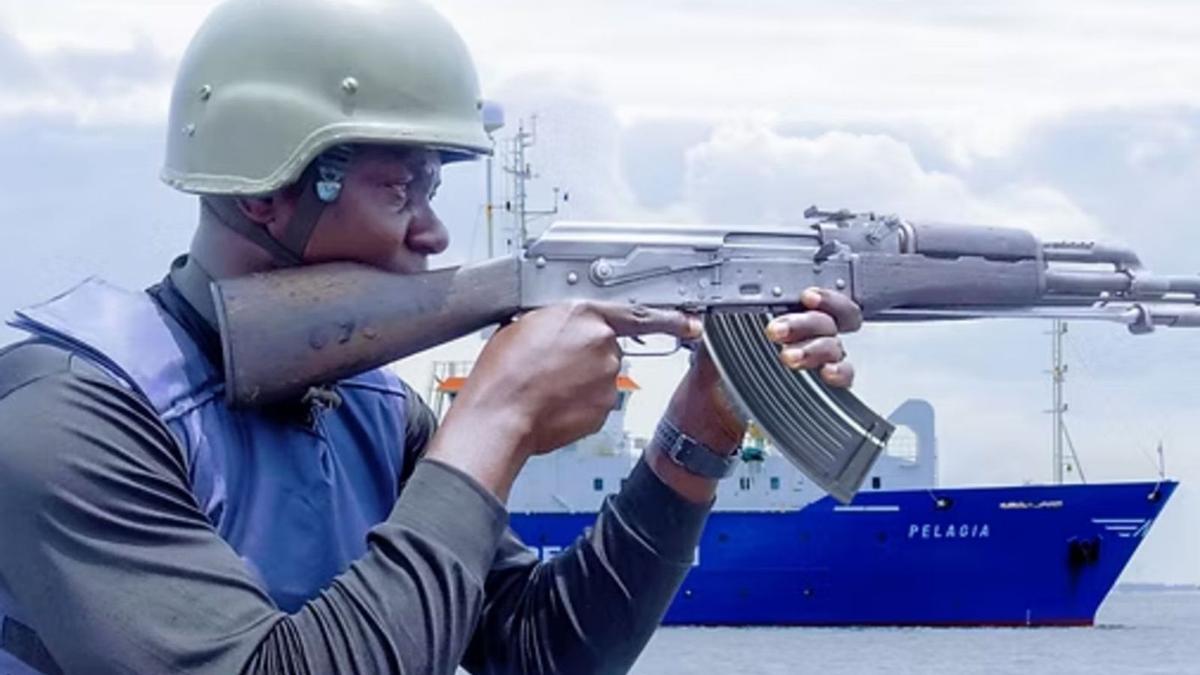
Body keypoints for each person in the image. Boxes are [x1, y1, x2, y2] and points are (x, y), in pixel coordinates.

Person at [0, 1, 861, 673]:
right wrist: (497, 417)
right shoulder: (67, 414)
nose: (434, 234)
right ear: (265, 193)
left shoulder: (369, 409)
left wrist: (703, 423)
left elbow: (544, 652)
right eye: (399, 189)